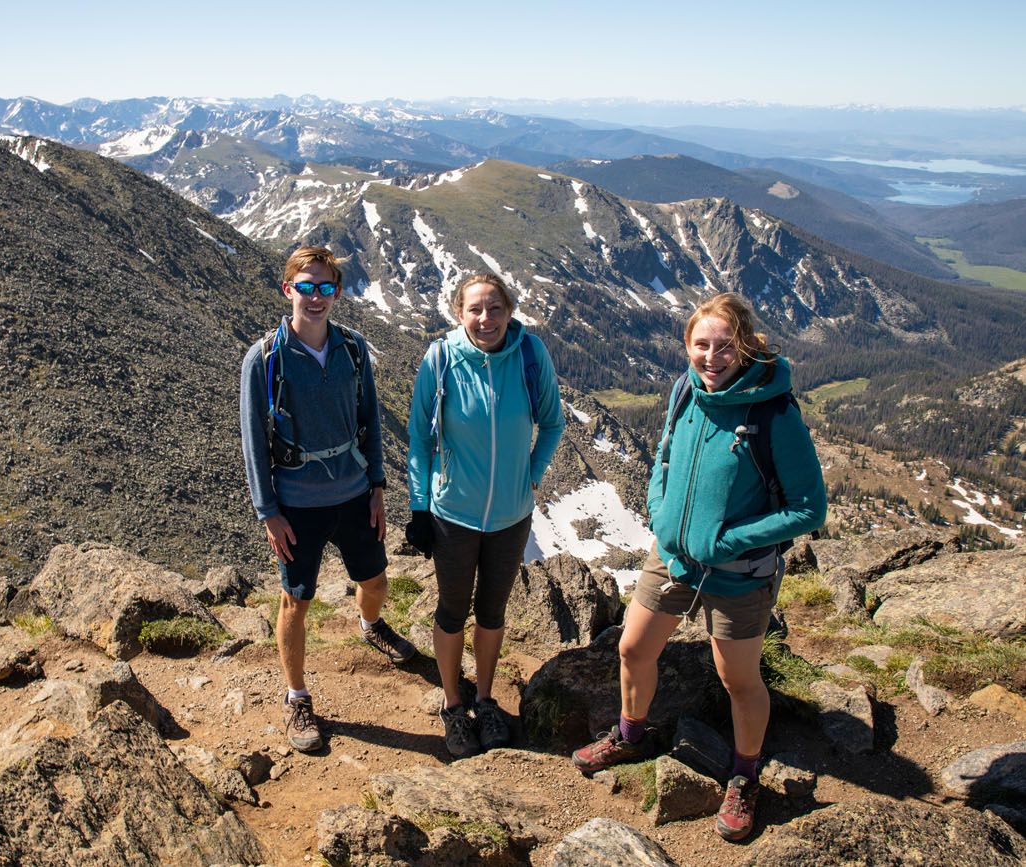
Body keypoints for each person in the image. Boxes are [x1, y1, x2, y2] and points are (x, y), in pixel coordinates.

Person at [570, 292, 827, 842]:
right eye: (701, 345)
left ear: (746, 346)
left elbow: (809, 508)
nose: (712, 357)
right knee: (632, 648)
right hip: (672, 556)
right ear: (687, 347)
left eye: (724, 346)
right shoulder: (686, 390)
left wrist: (727, 540)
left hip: (738, 571)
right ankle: (630, 734)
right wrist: (662, 518)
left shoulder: (772, 411)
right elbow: (664, 455)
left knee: (737, 678)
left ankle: (744, 774)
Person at [240, 245, 416, 753]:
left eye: (325, 288)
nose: (315, 297)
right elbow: (253, 437)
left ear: (336, 292)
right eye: (306, 286)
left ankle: (371, 624)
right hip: (296, 503)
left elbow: (370, 422)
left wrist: (379, 485)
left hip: (356, 493)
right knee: (296, 599)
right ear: (287, 289)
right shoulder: (265, 357)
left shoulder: (354, 350)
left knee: (377, 579)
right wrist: (268, 512)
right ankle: (297, 697)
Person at [405, 272, 565, 758]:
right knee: (453, 612)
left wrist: (532, 474)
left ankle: (487, 698)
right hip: (453, 513)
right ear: (459, 313)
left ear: (510, 311)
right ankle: (454, 705)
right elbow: (420, 438)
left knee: (493, 613)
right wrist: (418, 506)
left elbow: (553, 423)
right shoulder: (442, 359)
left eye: (495, 308)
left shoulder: (531, 356)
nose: (486, 318)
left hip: (511, 516)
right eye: (475, 309)